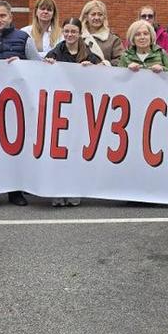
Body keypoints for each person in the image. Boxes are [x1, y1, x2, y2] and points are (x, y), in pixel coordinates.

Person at [0, 0, 39, 207]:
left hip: (16, 103)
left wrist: (24, 65)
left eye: (2, 16)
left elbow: (38, 67)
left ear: (11, 17)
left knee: (16, 146)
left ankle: (15, 190)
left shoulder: (23, 39)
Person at [43, 17, 104, 206]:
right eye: (67, 31)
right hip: (60, 108)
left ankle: (74, 189)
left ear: (79, 33)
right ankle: (57, 191)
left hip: (80, 108)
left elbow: (104, 68)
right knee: (59, 151)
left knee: (76, 151)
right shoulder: (57, 51)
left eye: (73, 32)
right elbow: (43, 70)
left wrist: (93, 68)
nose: (70, 35)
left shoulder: (87, 50)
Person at [80, 0, 124, 66]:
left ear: (104, 17)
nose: (97, 18)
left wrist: (105, 64)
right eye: (93, 14)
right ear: (86, 16)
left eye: (100, 15)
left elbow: (122, 60)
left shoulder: (113, 40)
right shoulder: (78, 37)